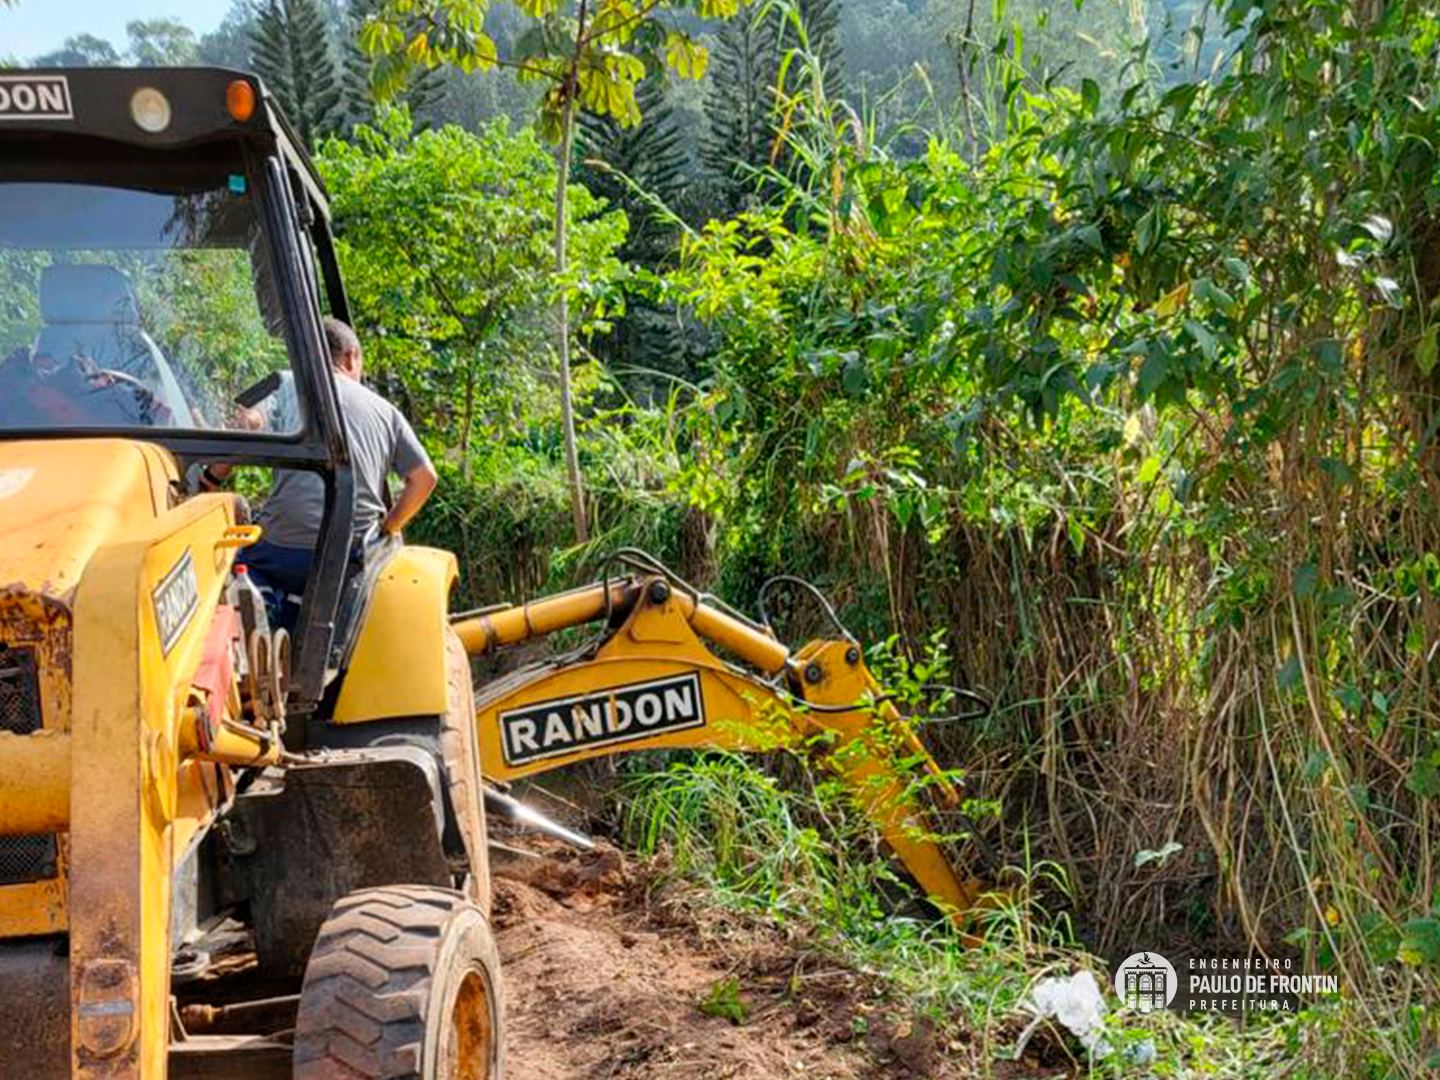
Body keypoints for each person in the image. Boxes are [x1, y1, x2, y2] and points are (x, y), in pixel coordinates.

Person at [241, 317, 437, 626]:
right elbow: (425, 478)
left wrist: (211, 478)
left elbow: (248, 422)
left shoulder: (285, 385)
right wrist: (389, 526)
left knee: (238, 561)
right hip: (348, 561)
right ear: (350, 356)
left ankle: (265, 604)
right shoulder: (386, 411)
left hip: (282, 551)